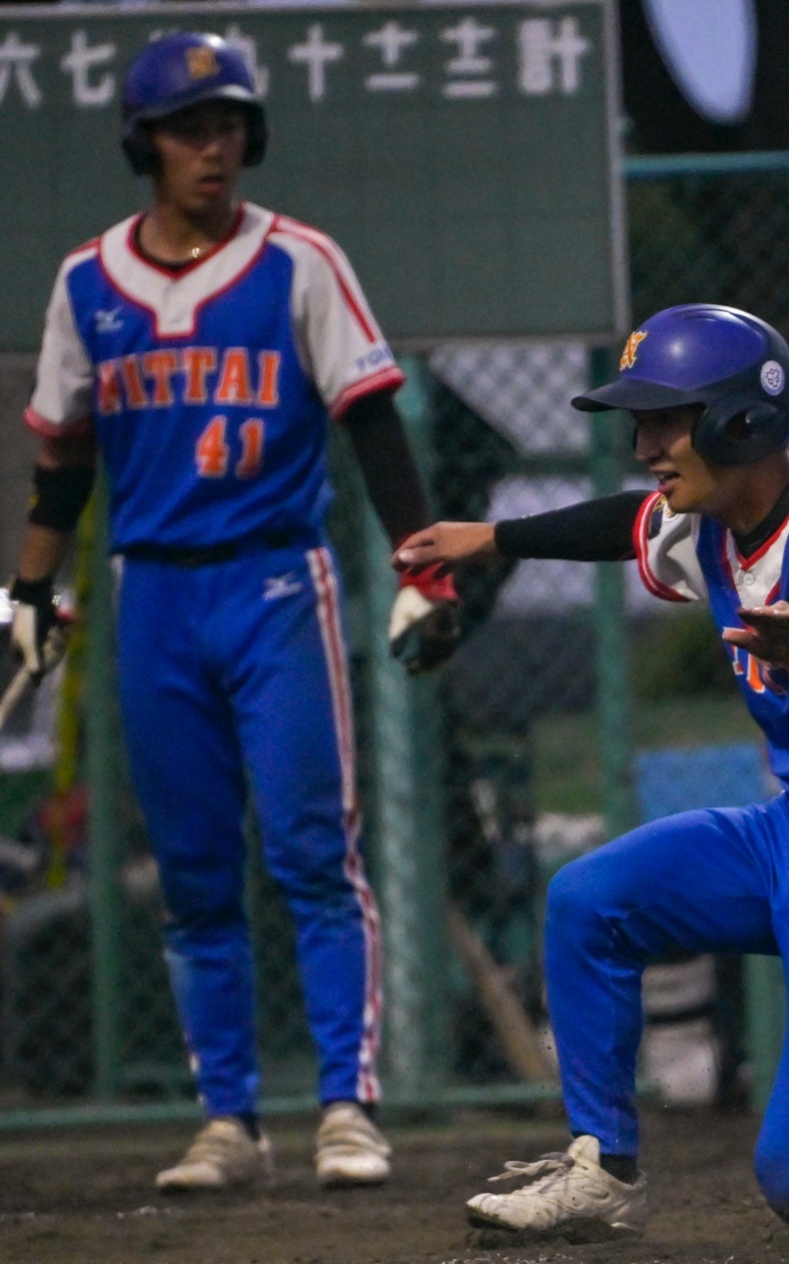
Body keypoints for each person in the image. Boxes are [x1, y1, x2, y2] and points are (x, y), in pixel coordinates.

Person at [394, 304, 789, 1238]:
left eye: (665, 422)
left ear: (741, 421)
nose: (645, 447)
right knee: (589, 900)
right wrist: (494, 537)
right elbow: (625, 524)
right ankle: (603, 1171)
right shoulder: (709, 520)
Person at [15, 33, 458, 1193]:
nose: (210, 148)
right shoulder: (87, 281)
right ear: (145, 144)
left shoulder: (299, 261)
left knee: (313, 850)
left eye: (226, 126)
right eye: (186, 129)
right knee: (195, 869)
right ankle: (229, 1119)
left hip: (274, 584)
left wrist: (421, 566)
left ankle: (346, 1104)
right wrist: (30, 590)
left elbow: (371, 420)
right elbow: (63, 459)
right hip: (153, 593)